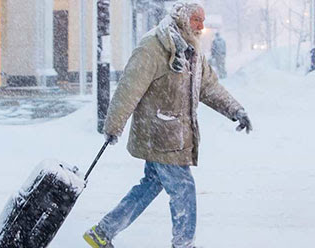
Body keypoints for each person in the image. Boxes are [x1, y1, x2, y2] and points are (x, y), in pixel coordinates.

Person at [83, 1, 252, 248]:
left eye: (203, 20)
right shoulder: (154, 46)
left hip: (174, 135)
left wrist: (235, 109)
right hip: (159, 134)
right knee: (183, 188)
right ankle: (184, 244)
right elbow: (129, 88)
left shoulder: (193, 51)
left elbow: (209, 87)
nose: (201, 26)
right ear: (183, 18)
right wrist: (113, 126)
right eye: (197, 19)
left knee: (151, 185)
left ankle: (102, 232)